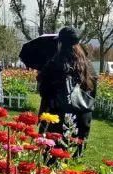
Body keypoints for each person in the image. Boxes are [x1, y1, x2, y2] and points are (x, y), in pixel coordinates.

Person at [38, 26, 97, 157]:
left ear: (60, 43)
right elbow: (92, 93)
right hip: (82, 118)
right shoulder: (88, 66)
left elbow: (43, 91)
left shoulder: (54, 64)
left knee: (52, 158)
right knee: (74, 158)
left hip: (57, 117)